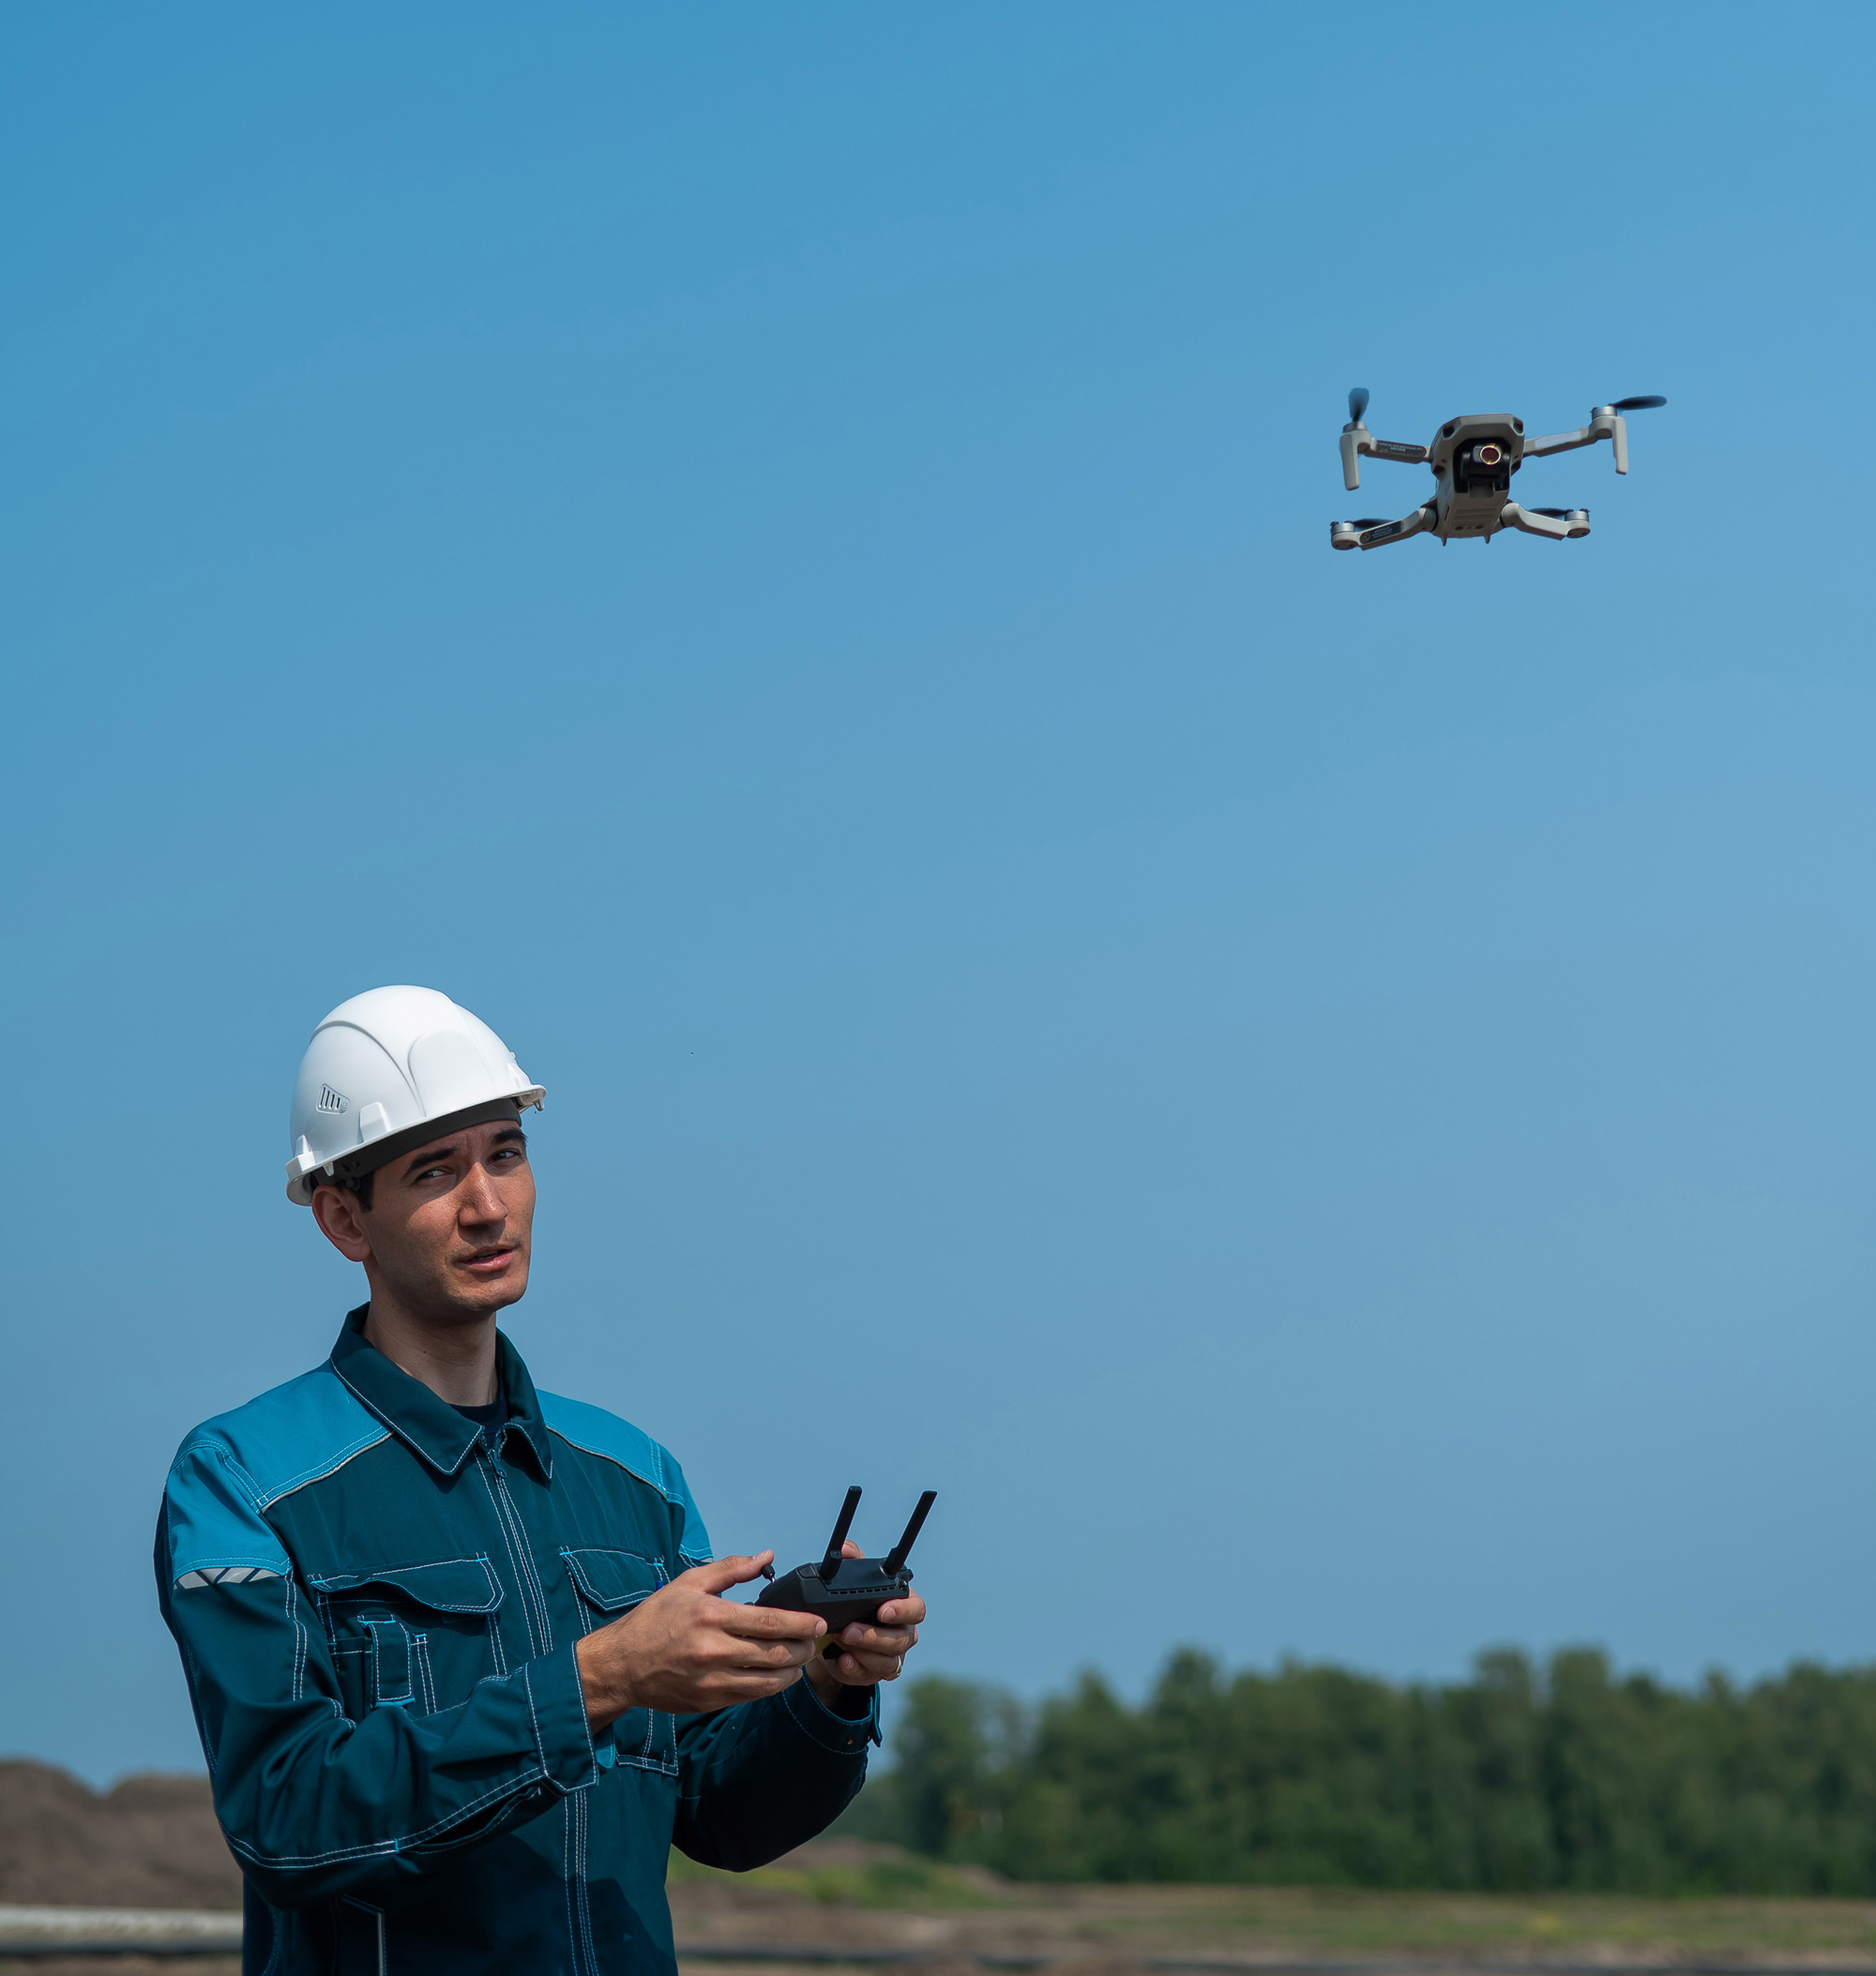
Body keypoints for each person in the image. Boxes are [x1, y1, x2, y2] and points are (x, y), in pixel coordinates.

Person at [156, 986, 925, 1975]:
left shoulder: (636, 1478)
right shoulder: (242, 1478)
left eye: (506, 1154)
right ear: (345, 1219)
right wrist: (597, 1680)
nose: (487, 1205)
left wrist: (827, 1691)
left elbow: (718, 1812)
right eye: (435, 1170)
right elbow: (287, 1818)